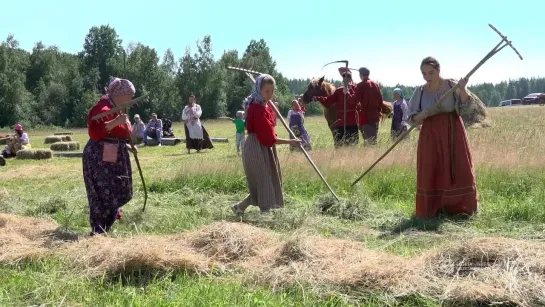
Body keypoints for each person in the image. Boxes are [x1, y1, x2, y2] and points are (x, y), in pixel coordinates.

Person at [407, 56, 478, 219]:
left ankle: (461, 208)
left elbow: (466, 108)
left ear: (438, 70)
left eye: (431, 73)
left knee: (457, 166)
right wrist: (420, 116)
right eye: (424, 74)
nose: (427, 77)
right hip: (430, 135)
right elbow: (411, 117)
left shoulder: (452, 85)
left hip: (452, 132)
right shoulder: (420, 91)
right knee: (432, 167)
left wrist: (462, 89)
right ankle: (433, 208)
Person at [232, 74, 301, 217]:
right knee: (265, 183)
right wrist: (291, 142)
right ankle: (265, 216)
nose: (270, 94)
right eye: (267, 91)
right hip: (256, 148)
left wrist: (272, 108)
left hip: (261, 147)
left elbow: (271, 127)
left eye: (272, 91)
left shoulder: (262, 105)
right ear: (259, 90)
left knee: (264, 183)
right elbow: (270, 138)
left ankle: (240, 207)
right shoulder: (257, 109)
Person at [82, 78, 137, 235]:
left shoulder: (117, 108)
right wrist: (116, 121)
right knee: (102, 191)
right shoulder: (102, 108)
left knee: (119, 187)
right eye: (129, 96)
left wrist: (127, 146)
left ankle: (109, 220)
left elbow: (116, 135)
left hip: (113, 154)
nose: (130, 100)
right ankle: (99, 228)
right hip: (99, 158)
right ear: (120, 94)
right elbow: (95, 132)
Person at [312, 67, 359, 147]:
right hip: (341, 121)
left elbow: (354, 101)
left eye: (348, 76)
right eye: (344, 76)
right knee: (339, 144)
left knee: (352, 145)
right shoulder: (339, 90)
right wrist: (318, 98)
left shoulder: (355, 89)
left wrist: (348, 92)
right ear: (342, 78)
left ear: (350, 78)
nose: (346, 78)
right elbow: (329, 100)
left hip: (352, 121)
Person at [349, 67, 384, 145]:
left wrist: (349, 92)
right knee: (372, 139)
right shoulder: (376, 85)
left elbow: (354, 100)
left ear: (361, 74)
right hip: (375, 116)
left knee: (369, 142)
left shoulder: (361, 85)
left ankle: (370, 156)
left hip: (366, 116)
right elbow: (380, 101)